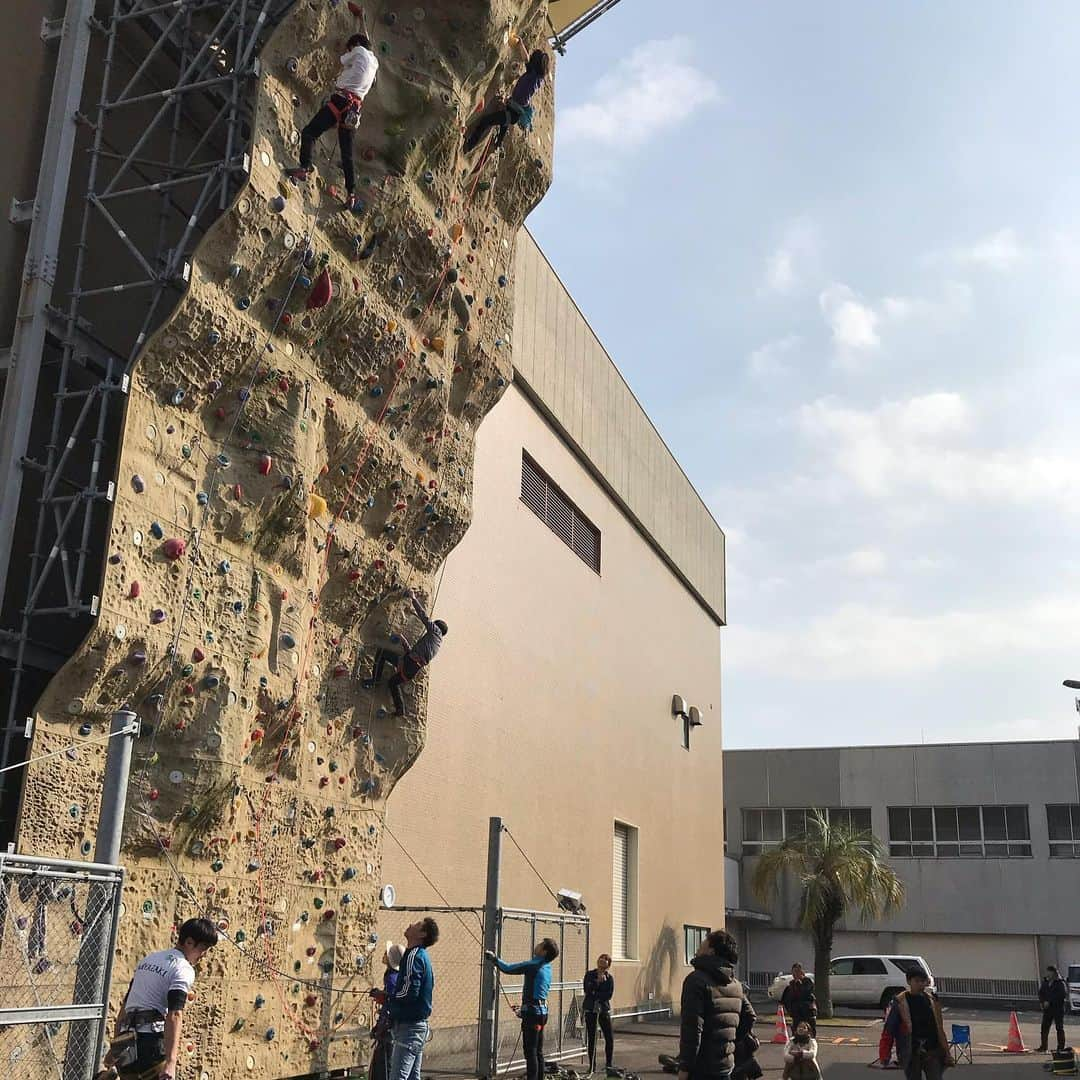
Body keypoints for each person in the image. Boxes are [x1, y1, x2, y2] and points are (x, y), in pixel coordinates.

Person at [97, 918, 218, 1080]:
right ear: (189, 942)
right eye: (203, 948)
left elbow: (125, 1008)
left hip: (127, 1042)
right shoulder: (183, 969)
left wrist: (117, 1046)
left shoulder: (148, 960)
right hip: (150, 1043)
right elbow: (175, 1015)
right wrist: (171, 1061)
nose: (203, 956)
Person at [285, 33, 378, 210]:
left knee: (309, 132)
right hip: (354, 111)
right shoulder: (375, 62)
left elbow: (343, 60)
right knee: (347, 155)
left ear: (356, 44)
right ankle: (351, 195)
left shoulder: (357, 50)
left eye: (349, 47)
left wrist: (349, 53)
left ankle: (304, 168)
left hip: (341, 101)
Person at [677, 929, 756, 1080]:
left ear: (711, 951)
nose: (698, 949)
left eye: (702, 944)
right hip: (726, 1064)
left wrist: (685, 1067)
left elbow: (692, 1029)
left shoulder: (696, 980)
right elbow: (750, 1017)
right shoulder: (735, 984)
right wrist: (728, 1040)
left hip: (702, 1068)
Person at [363, 590, 447, 717]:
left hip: (409, 663)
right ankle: (400, 709)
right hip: (412, 669)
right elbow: (414, 654)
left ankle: (375, 680)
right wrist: (403, 641)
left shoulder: (435, 631)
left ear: (436, 626)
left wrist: (413, 598)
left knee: (382, 653)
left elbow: (424, 617)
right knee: (392, 683)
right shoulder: (436, 644)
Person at [486, 938, 559, 1080]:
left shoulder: (534, 965)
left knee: (530, 1051)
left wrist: (494, 959)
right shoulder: (547, 967)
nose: (536, 945)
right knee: (538, 1051)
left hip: (533, 1014)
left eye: (540, 945)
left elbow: (508, 968)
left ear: (544, 951)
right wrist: (524, 1009)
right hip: (541, 1012)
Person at [463, 36, 550, 154]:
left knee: (486, 121)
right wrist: (521, 44)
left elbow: (526, 58)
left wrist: (521, 44)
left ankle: (469, 145)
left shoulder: (533, 76)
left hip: (513, 112)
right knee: (502, 124)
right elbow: (526, 58)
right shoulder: (535, 76)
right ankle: (498, 144)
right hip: (512, 108)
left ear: (535, 64)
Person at [388, 917, 439, 1080]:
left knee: (398, 1077)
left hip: (409, 1027)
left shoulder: (413, 956)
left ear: (422, 934)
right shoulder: (422, 956)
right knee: (412, 1077)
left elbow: (410, 992)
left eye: (416, 925)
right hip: (418, 1026)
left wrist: (389, 998)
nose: (410, 924)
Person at [894, 967, 949, 1080]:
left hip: (932, 1049)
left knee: (936, 1077)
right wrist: (885, 1053)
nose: (921, 984)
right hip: (912, 1050)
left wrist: (946, 1052)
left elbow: (939, 1027)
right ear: (909, 982)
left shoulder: (931, 1000)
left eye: (923, 981)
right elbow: (890, 1028)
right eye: (917, 981)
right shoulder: (900, 1001)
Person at [368, 942, 403, 1080]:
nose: (383, 955)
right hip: (389, 1025)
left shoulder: (392, 978)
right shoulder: (394, 975)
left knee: (385, 1063)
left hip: (390, 1027)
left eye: (386, 954)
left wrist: (382, 996)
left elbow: (392, 1001)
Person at [583, 953, 615, 1073]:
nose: (603, 961)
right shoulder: (590, 975)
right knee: (592, 1037)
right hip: (591, 1009)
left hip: (603, 1009)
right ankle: (592, 1066)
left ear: (608, 966)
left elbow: (609, 994)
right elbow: (587, 989)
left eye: (606, 961)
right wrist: (597, 982)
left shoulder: (610, 978)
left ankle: (609, 1064)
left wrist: (596, 995)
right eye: (601, 959)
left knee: (609, 1037)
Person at [1037, 964, 1068, 1053]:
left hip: (1058, 1009)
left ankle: (1060, 1047)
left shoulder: (1060, 983)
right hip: (1047, 1009)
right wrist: (1042, 1002)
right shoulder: (1045, 982)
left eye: (1050, 973)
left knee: (1059, 1028)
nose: (1048, 974)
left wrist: (1049, 1001)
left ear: (1054, 973)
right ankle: (1043, 1046)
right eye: (1047, 972)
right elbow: (1041, 993)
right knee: (1044, 1028)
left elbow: (1062, 995)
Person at [780, 964, 817, 1037]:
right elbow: (787, 998)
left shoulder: (808, 982)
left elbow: (806, 993)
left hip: (807, 1011)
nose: (795, 974)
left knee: (810, 1031)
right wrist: (789, 1009)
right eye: (793, 972)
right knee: (796, 1031)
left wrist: (799, 984)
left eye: (797, 972)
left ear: (802, 972)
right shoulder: (791, 984)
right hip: (796, 1012)